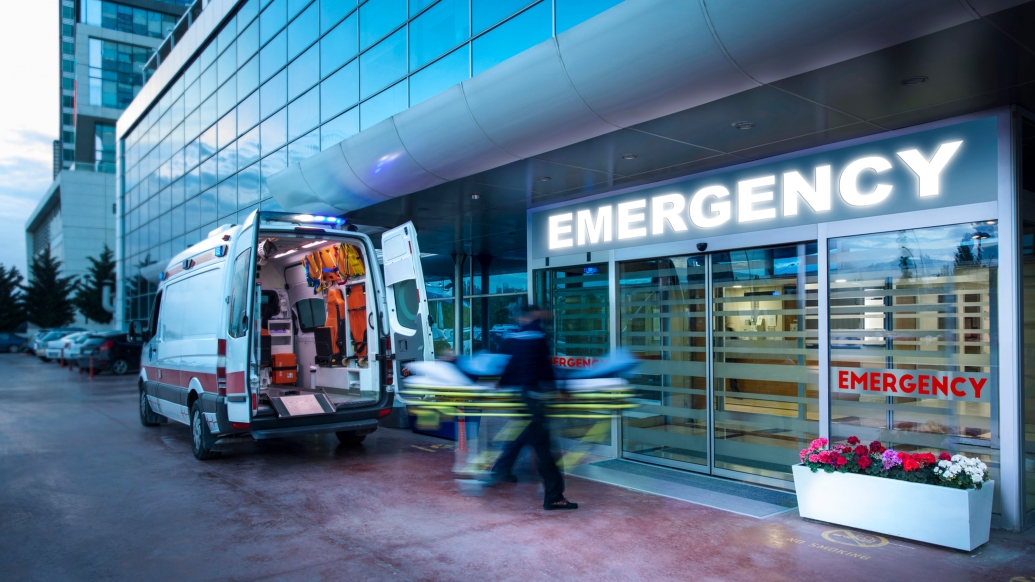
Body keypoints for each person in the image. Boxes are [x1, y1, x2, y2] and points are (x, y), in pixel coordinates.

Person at [486, 305, 577, 511]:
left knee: (526, 435)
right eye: (542, 313)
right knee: (544, 448)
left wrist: (501, 384)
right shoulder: (537, 336)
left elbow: (505, 367)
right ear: (534, 315)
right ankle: (554, 496)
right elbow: (545, 368)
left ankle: (502, 468)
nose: (547, 316)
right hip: (530, 398)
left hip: (518, 398)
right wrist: (559, 391)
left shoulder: (512, 338)